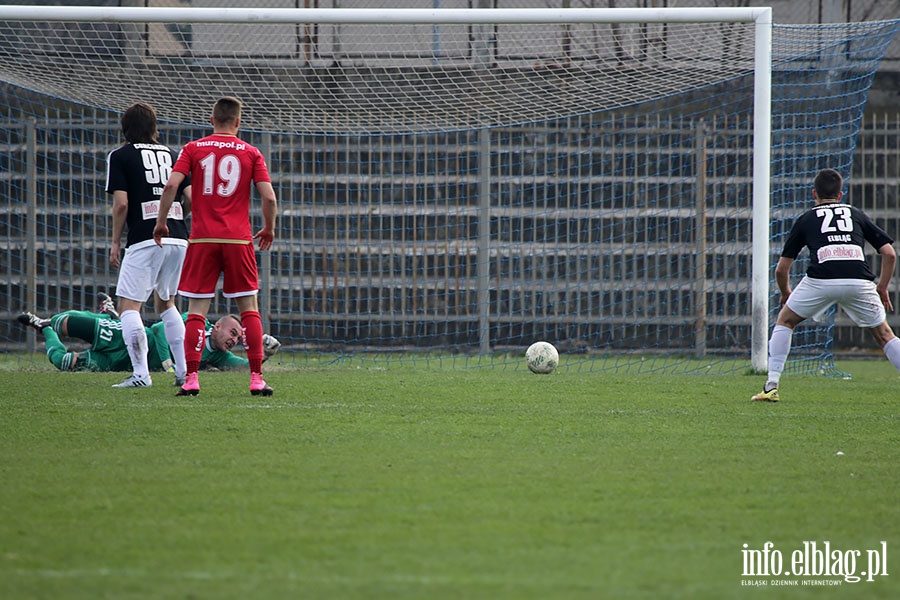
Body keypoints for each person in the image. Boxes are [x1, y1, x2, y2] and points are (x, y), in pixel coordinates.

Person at [154, 96, 277, 397]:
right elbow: (270, 197)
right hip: (238, 239)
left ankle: (192, 378)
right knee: (249, 309)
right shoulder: (251, 152)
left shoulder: (193, 148)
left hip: (203, 239)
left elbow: (171, 186)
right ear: (238, 122)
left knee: (196, 311)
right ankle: (257, 379)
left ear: (211, 120)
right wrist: (269, 227)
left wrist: (162, 222)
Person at [752, 168, 900, 402]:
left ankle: (771, 386)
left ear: (814, 194)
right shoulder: (856, 214)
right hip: (859, 280)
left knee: (786, 320)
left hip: (820, 280)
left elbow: (781, 269)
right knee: (884, 335)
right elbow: (889, 254)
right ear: (840, 195)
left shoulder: (807, 218)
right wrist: (882, 287)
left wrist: (786, 294)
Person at [106, 101, 192, 389]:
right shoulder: (174, 154)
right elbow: (190, 198)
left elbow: (121, 205)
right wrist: (174, 217)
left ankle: (141, 374)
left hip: (145, 236)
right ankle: (183, 372)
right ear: (155, 128)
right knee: (167, 302)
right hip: (178, 236)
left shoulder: (121, 156)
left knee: (129, 306)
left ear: (125, 128)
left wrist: (116, 241)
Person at [17, 308, 281, 375]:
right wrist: (167, 362)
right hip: (127, 340)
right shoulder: (195, 322)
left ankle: (42, 326)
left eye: (238, 337)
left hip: (121, 363)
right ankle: (110, 316)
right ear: (219, 326)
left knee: (64, 363)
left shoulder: (217, 356)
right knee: (67, 321)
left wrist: (264, 354)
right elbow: (158, 330)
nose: (234, 340)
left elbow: (242, 368)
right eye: (232, 332)